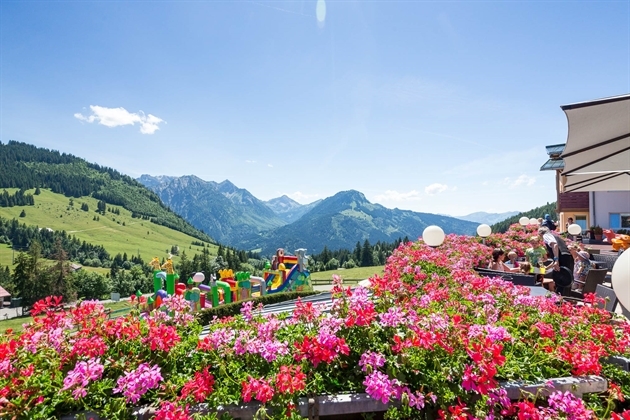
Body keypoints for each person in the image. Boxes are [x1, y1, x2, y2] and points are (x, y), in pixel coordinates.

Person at [538, 226, 574, 294]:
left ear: (540, 234)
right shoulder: (555, 236)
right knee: (567, 279)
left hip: (562, 258)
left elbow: (555, 245)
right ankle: (564, 298)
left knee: (561, 279)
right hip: (568, 257)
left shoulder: (546, 235)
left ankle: (560, 299)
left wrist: (556, 260)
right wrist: (548, 267)